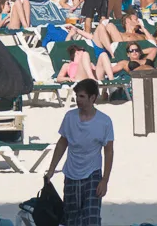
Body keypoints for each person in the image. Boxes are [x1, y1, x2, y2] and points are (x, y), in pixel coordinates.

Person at [45, 79, 114, 226]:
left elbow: (108, 151)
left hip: (93, 174)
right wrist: (51, 169)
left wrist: (105, 180)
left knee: (91, 219)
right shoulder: (70, 117)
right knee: (72, 219)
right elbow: (62, 143)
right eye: (77, 96)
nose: (78, 100)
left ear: (93, 98)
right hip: (71, 174)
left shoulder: (104, 121)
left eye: (82, 96)